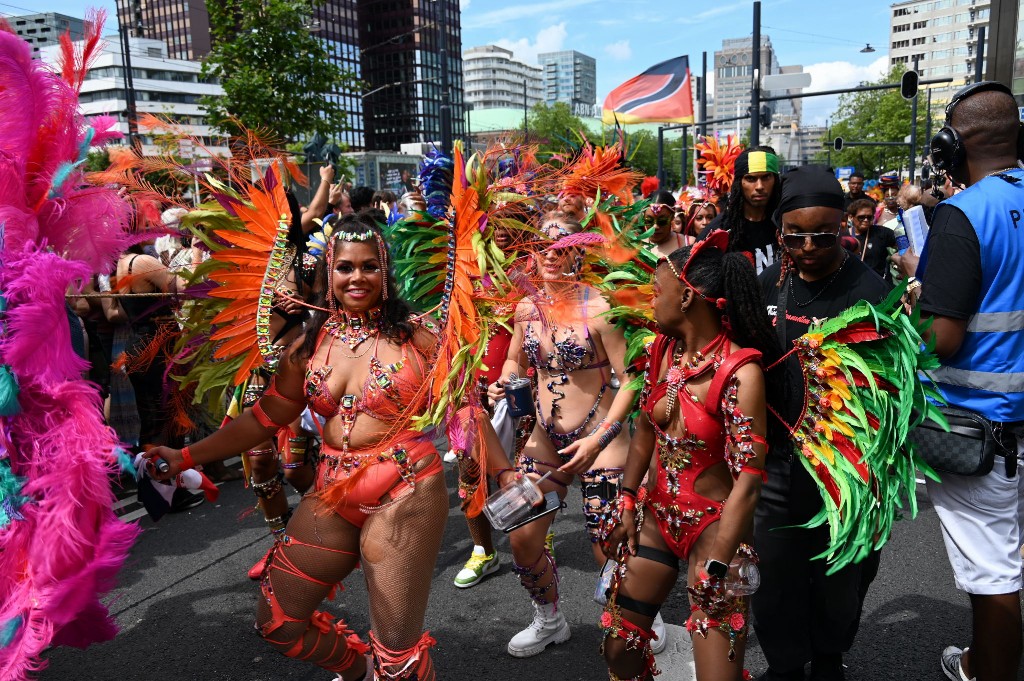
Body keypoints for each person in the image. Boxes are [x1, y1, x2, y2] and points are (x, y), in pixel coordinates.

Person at [146, 212, 506, 680]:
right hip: (332, 487)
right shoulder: (308, 344)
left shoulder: (420, 336)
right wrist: (187, 457)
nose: (357, 277)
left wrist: (508, 473)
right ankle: (355, 671)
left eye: (369, 266)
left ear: (385, 271)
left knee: (398, 660)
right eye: (346, 267)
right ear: (328, 273)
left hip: (405, 487)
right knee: (278, 623)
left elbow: (465, 408)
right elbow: (266, 416)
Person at [600, 232, 775, 681]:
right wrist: (626, 498)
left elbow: (748, 482)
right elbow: (644, 427)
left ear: (688, 297)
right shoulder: (663, 351)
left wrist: (719, 563)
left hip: (715, 530)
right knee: (619, 649)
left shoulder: (741, 372)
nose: (650, 301)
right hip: (658, 519)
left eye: (657, 292)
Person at [893, 81, 1024, 681]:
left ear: (951, 143)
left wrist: (907, 315)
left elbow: (940, 339)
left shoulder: (963, 214)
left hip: (982, 429)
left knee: (994, 575)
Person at [754, 165, 890, 681]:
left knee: (841, 577)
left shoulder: (870, 292)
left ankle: (830, 656)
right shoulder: (769, 283)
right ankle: (786, 664)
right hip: (776, 464)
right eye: (795, 235)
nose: (808, 246)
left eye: (823, 235)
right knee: (774, 579)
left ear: (845, 230)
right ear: (780, 232)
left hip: (846, 468)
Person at [487, 212, 636, 658]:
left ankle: (632, 622)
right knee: (522, 534)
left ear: (578, 252)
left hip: (601, 436)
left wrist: (599, 438)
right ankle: (550, 620)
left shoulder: (602, 308)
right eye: (542, 247)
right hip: (545, 436)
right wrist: (503, 379)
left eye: (561, 247)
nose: (550, 256)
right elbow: (515, 360)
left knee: (608, 544)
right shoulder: (526, 307)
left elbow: (630, 379)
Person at [701, 147, 783, 274]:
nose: (759, 186)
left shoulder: (786, 225)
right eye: (751, 179)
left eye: (766, 177)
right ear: (739, 183)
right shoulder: (719, 232)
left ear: (775, 180)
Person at [847, 198, 896, 280]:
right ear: (851, 217)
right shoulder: (844, 236)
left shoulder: (882, 232)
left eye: (869, 217)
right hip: (854, 283)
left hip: (879, 284)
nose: (866, 220)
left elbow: (903, 247)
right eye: (861, 217)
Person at [645, 191, 688, 258]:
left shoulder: (687, 243)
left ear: (672, 217)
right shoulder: (635, 246)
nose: (655, 226)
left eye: (662, 221)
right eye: (649, 221)